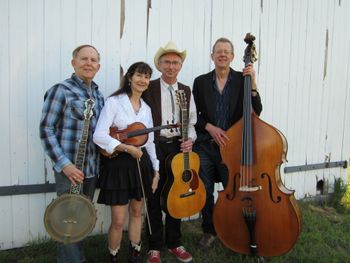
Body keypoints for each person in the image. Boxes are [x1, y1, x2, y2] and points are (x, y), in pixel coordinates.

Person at [192, 37, 263, 247]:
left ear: (232, 57)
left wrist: (254, 84)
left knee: (232, 190)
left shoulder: (243, 80)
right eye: (218, 51)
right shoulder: (200, 82)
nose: (222, 54)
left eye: (226, 51)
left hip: (232, 149)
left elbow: (256, 111)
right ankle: (209, 230)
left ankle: (235, 230)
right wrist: (210, 128)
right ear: (212, 56)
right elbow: (195, 116)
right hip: (205, 145)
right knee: (205, 190)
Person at [39, 44, 105, 263]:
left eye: (93, 60)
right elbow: (46, 129)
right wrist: (64, 165)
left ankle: (78, 258)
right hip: (69, 170)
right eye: (84, 58)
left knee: (81, 220)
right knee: (66, 222)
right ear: (73, 62)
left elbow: (101, 133)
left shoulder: (98, 94)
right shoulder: (61, 90)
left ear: (98, 65)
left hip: (91, 170)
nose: (89, 63)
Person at [93, 62, 160, 263]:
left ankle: (135, 252)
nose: (143, 80)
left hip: (141, 165)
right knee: (118, 220)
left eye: (147, 77)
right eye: (139, 75)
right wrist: (127, 148)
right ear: (129, 78)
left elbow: (150, 142)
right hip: (119, 167)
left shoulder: (146, 109)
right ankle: (113, 255)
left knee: (137, 211)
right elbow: (99, 135)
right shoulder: (114, 102)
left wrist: (156, 171)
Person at [142, 41, 197, 263]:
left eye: (175, 62)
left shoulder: (186, 90)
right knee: (154, 196)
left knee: (178, 194)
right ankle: (154, 245)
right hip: (154, 147)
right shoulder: (149, 87)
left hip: (177, 148)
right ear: (159, 64)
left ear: (180, 66)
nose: (171, 66)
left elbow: (192, 121)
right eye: (167, 62)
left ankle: (174, 242)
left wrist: (190, 140)